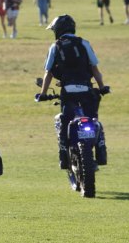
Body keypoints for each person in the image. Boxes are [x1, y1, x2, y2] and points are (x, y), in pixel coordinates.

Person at [37, 15, 109, 170]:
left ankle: (64, 157)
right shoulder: (84, 43)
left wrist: (43, 94)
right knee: (94, 120)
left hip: (68, 92)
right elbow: (94, 68)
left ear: (58, 30)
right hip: (87, 90)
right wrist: (102, 87)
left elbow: (48, 72)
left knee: (65, 121)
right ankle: (101, 150)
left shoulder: (55, 46)